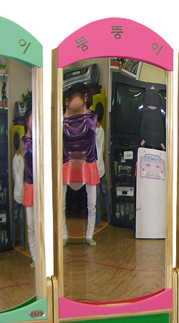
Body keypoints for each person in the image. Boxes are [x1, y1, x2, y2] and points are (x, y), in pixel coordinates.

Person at [62, 83, 100, 246]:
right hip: (67, 163)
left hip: (88, 162)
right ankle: (63, 235)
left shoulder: (91, 117)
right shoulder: (63, 119)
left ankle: (89, 235)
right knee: (61, 204)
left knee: (92, 204)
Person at [22, 108, 35, 268]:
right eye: (32, 119)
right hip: (29, 186)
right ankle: (34, 257)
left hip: (40, 187)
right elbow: (32, 151)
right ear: (27, 121)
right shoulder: (25, 141)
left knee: (40, 224)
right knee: (31, 225)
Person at [94, 102, 111, 227]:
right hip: (101, 167)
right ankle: (109, 217)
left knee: (97, 196)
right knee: (105, 194)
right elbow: (102, 149)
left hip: (94, 168)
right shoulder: (102, 131)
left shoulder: (92, 132)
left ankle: (98, 222)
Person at [12, 130, 26, 251]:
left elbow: (14, 176)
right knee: (22, 220)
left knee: (14, 219)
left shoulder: (14, 160)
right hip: (23, 193)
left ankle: (12, 243)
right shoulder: (22, 159)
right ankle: (23, 245)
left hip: (16, 192)